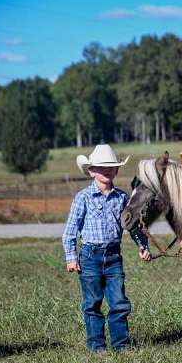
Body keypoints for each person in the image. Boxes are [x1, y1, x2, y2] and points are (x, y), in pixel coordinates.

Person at [62, 144, 151, 352]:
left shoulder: (121, 198)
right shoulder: (83, 197)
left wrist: (142, 245)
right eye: (101, 167)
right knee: (92, 304)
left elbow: (132, 226)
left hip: (113, 257)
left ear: (117, 170)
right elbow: (70, 231)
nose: (106, 170)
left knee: (119, 302)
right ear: (91, 171)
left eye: (111, 167)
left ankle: (121, 345)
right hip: (90, 256)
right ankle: (96, 346)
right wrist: (71, 257)